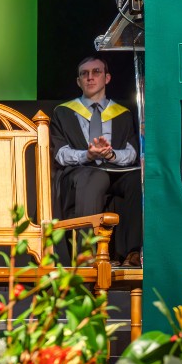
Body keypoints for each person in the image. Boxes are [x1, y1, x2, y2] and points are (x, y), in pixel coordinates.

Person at [51, 56, 143, 267]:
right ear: (78, 81)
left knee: (136, 179)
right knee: (96, 177)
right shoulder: (63, 112)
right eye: (84, 74)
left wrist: (110, 155)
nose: (90, 78)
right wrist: (88, 155)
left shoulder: (123, 114)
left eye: (96, 72)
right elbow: (60, 153)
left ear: (107, 78)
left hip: (115, 170)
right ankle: (87, 253)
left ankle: (131, 253)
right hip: (78, 173)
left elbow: (131, 152)